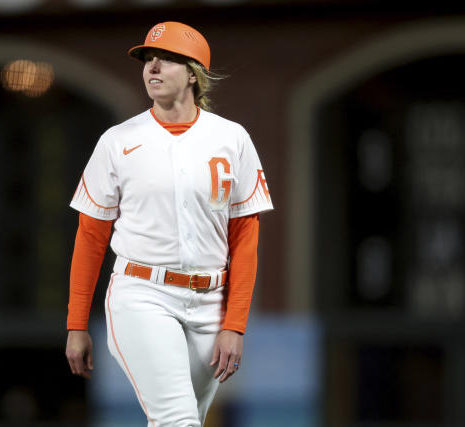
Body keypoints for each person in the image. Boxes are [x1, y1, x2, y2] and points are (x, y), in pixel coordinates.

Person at [65, 21, 273, 426]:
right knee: (178, 420)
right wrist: (76, 324)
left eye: (165, 60)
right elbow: (91, 236)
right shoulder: (118, 141)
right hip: (142, 293)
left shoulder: (232, 138)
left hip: (211, 301)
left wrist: (236, 325)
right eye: (147, 60)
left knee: (183, 418)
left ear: (194, 73)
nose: (152, 68)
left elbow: (245, 238)